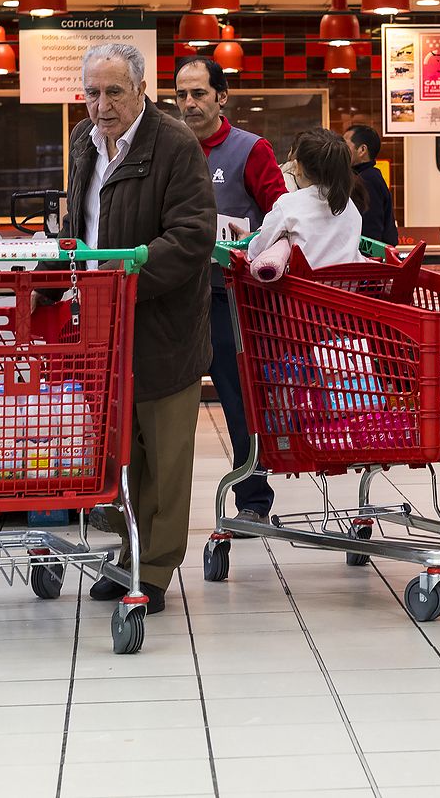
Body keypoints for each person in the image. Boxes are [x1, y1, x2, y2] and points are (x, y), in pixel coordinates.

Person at [63, 43, 217, 615]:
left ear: (140, 89)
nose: (101, 106)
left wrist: (127, 273)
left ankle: (154, 567)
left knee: (167, 453)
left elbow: (193, 236)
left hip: (164, 325)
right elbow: (81, 218)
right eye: (92, 93)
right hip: (103, 324)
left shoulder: (174, 144)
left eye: (113, 93)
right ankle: (127, 552)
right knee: (122, 450)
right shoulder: (84, 143)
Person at [175, 56, 288, 527]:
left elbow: (283, 218)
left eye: (199, 93)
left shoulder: (250, 149)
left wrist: (250, 249)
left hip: (229, 300)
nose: (189, 104)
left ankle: (253, 500)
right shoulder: (170, 149)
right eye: (181, 95)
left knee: (238, 400)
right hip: (174, 296)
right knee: (163, 407)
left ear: (222, 97)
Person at [252, 128, 366, 268]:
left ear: (298, 167)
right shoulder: (349, 206)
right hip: (345, 287)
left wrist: (246, 243)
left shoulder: (288, 203)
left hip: (302, 288)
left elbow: (258, 249)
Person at [343, 124, 397, 244]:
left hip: (370, 259)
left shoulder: (368, 179)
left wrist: (369, 260)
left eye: (345, 145)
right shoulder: (361, 175)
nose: (341, 150)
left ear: (362, 150)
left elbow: (371, 230)